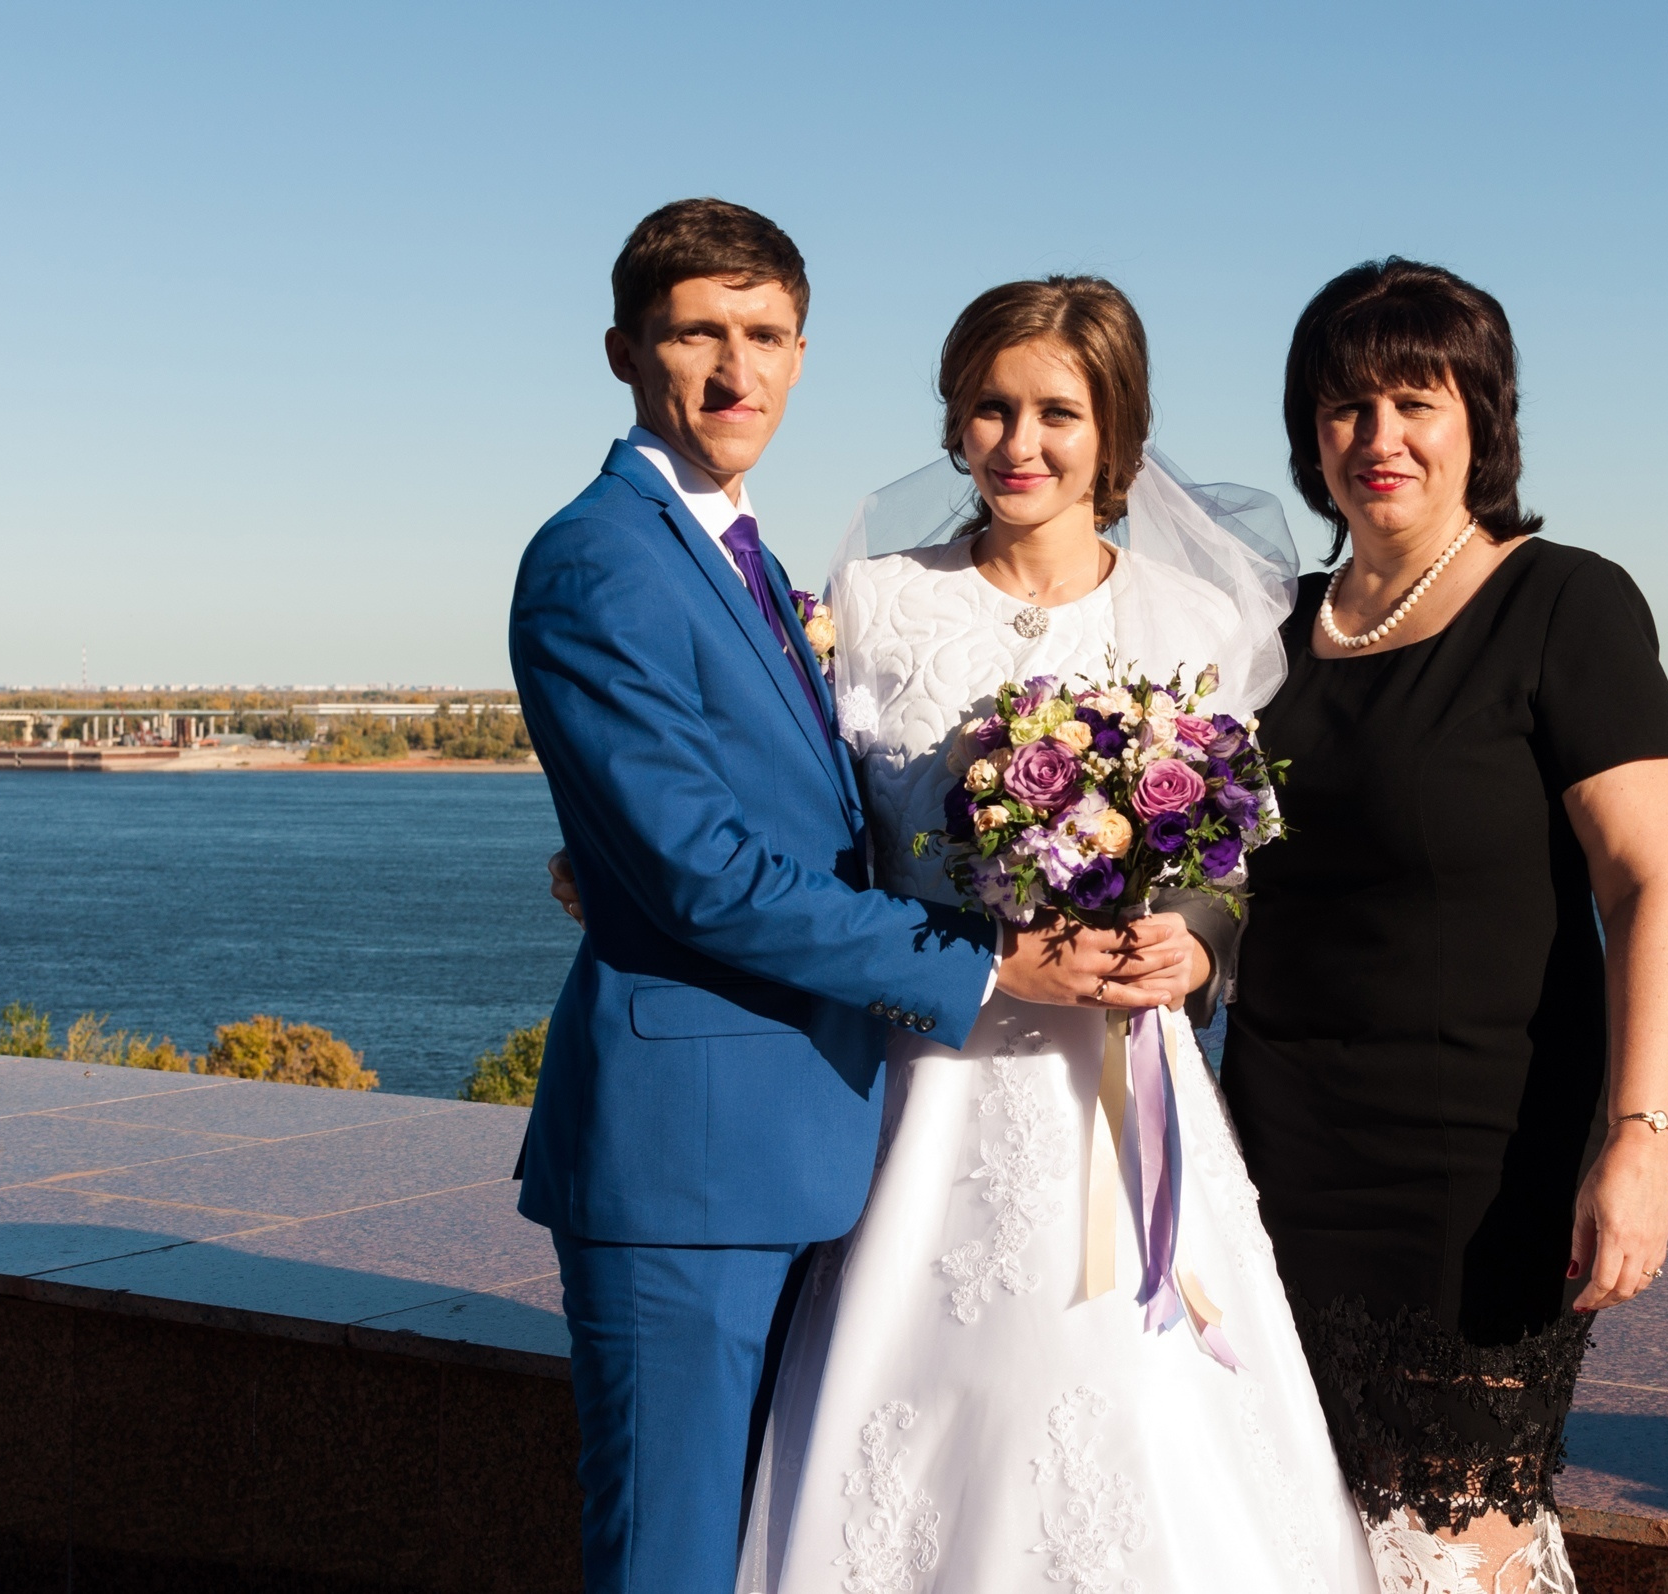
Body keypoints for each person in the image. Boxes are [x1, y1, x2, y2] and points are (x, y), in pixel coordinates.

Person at [509, 201, 1192, 1594]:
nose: (732, 369)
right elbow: (706, 871)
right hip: (683, 1166)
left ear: (803, 354)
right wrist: (990, 960)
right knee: (672, 1559)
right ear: (624, 349)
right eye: (697, 331)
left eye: (763, 335)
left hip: (811, 1144)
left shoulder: (745, 556)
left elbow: (787, 821)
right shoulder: (600, 556)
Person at [734, 275, 1379, 1592]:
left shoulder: (1198, 619)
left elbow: (1229, 861)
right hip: (934, 1093)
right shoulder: (879, 607)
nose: (1020, 443)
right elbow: (806, 831)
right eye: (989, 407)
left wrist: (1191, 945)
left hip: (1129, 1100)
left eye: (1057, 412)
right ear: (956, 423)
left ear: (1115, 430)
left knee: (1153, 1426)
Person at [1219, 259, 1668, 1594]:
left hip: (1475, 1174)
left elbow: (1649, 888)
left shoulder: (1566, 605)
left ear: (1482, 417)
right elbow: (1222, 886)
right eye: (1345, 406)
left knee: (1447, 1545)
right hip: (1267, 1157)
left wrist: (1640, 1140)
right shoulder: (1268, 636)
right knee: (1291, 1533)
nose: (1379, 438)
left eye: (1415, 399)